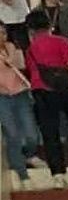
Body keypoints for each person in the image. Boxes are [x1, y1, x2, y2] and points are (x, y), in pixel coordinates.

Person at [24, 9, 68, 186]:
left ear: (31, 29)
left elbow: (31, 71)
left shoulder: (30, 49)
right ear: (50, 24)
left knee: (49, 132)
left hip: (41, 90)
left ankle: (57, 174)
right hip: (64, 88)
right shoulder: (61, 41)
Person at [0, 23, 38, 189]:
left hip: (20, 92)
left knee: (31, 134)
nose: (2, 36)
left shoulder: (12, 48)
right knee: (12, 134)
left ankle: (29, 154)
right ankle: (22, 173)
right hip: (2, 96)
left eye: (3, 32)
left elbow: (22, 68)